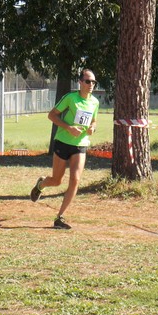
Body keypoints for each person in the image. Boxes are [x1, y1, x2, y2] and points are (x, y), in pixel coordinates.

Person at [30, 69, 99, 229]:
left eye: (93, 82)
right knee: (57, 180)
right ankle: (41, 185)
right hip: (63, 142)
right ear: (80, 82)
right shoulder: (70, 98)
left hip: (81, 144)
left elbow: (94, 121)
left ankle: (60, 217)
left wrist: (92, 129)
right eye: (88, 81)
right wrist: (68, 128)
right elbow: (52, 115)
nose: (91, 85)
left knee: (75, 180)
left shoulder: (94, 102)